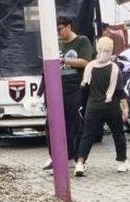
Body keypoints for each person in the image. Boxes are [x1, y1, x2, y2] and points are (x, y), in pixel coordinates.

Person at [75, 38, 130, 176]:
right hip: (111, 106)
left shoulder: (90, 67)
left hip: (93, 107)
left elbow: (84, 89)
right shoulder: (114, 68)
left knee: (87, 135)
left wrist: (83, 106)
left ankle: (80, 163)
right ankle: (121, 163)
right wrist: (125, 108)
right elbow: (119, 91)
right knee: (118, 134)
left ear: (97, 49)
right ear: (111, 50)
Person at [48, 17, 94, 170]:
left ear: (68, 27)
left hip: (75, 88)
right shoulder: (57, 43)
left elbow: (86, 61)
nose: (58, 33)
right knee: (53, 123)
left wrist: (65, 60)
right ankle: (57, 157)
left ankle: (77, 157)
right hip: (57, 88)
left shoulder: (82, 41)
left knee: (76, 123)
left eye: (60, 29)